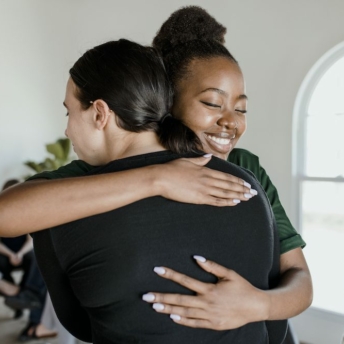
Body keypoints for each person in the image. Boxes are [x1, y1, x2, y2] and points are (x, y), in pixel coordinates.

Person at [0, 4, 311, 339]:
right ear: (166, 102)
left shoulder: (245, 169)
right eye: (211, 103)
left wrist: (258, 305)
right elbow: (11, 212)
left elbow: (298, 278)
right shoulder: (96, 172)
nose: (231, 121)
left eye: (242, 108)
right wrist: (157, 179)